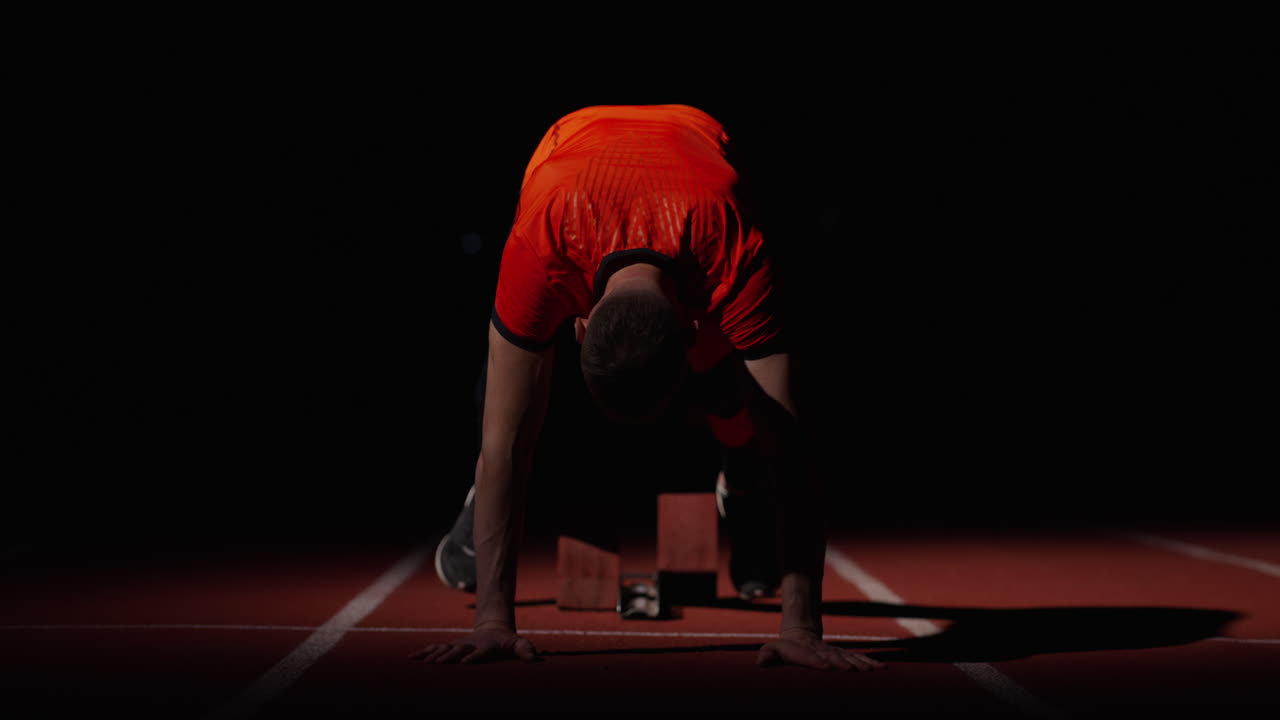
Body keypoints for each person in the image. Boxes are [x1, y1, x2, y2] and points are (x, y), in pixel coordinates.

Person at [411, 105, 882, 671]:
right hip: (571, 150)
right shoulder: (540, 247)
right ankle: (480, 498)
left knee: (740, 400)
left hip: (697, 153)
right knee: (505, 404)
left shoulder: (736, 256)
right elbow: (504, 445)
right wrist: (491, 622)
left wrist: (803, 628)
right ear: (579, 323)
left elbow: (788, 443)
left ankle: (740, 472)